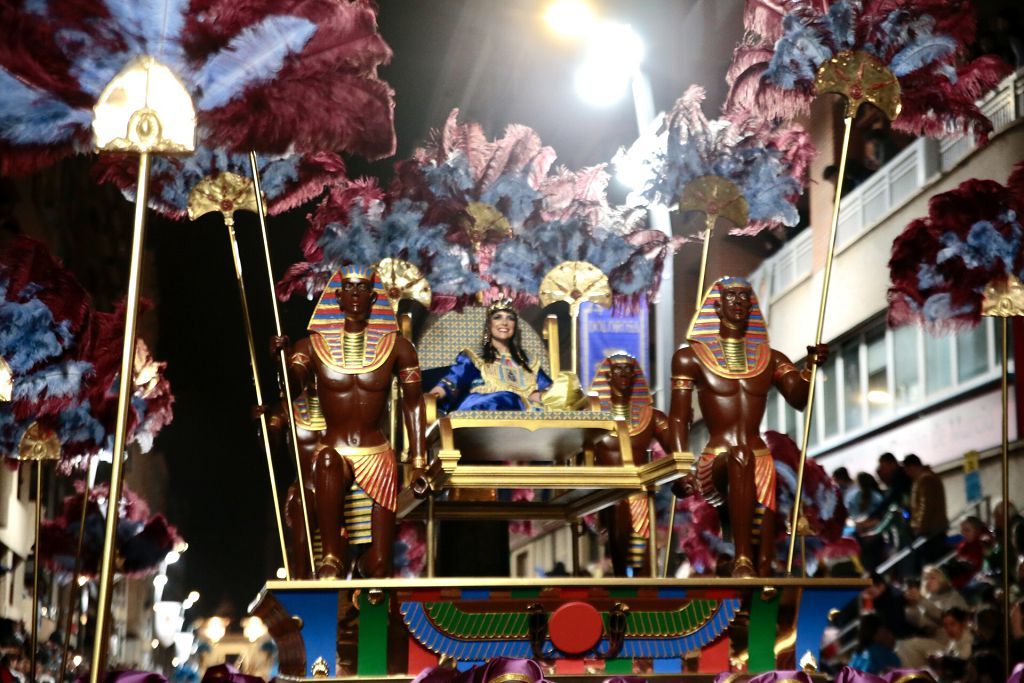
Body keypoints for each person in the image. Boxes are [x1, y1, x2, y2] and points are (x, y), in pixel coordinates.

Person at [669, 276, 828, 577]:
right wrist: (680, 468)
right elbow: (678, 418)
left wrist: (810, 368)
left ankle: (762, 575)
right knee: (741, 455)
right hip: (715, 460)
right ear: (716, 307)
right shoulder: (690, 358)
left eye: (745, 297)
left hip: (758, 458)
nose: (739, 302)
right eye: (731, 297)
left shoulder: (770, 358)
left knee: (760, 473)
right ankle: (742, 559)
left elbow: (798, 398)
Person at [275, 265, 426, 578]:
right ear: (337, 297)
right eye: (349, 288)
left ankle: (362, 567)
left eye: (362, 289)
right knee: (327, 459)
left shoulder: (399, 348)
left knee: (381, 567)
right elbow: (293, 388)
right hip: (335, 450)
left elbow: (413, 403)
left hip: (377, 453)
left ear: (373, 299)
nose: (355, 294)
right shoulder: (310, 346)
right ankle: (332, 556)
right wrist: (281, 361)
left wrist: (419, 459)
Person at [590, 353, 673, 576]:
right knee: (618, 510)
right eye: (618, 370)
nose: (624, 375)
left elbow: (676, 448)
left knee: (641, 550)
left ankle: (642, 583)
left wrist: (681, 425)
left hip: (638, 492)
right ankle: (622, 578)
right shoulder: (591, 417)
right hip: (606, 493)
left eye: (629, 370)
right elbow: (578, 455)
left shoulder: (653, 417)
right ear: (608, 377)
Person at [428, 299, 552, 412]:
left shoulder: (529, 361)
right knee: (506, 397)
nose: (504, 322)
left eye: (510, 318)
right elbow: (452, 382)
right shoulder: (475, 356)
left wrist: (543, 395)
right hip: (482, 409)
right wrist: (431, 398)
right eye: (498, 317)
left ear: (515, 325)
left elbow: (548, 391)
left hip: (523, 416)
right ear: (489, 325)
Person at [897, 565, 968, 668]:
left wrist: (921, 601)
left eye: (932, 577)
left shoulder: (952, 597)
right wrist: (911, 605)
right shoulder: (927, 599)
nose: (927, 581)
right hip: (934, 641)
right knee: (901, 646)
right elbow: (919, 623)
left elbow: (946, 619)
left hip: (952, 645)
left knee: (907, 646)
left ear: (942, 579)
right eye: (925, 578)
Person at [904, 453, 949, 566]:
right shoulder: (925, 478)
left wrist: (920, 528)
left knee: (932, 563)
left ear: (912, 467)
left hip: (931, 531)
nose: (907, 474)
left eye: (907, 470)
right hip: (932, 529)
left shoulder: (925, 479)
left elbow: (926, 506)